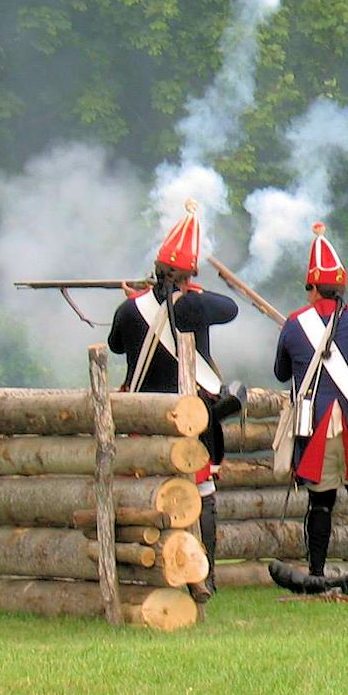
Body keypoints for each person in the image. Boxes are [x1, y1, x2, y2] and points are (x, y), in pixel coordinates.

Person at [108, 199, 236, 601]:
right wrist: (189, 291)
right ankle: (206, 576)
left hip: (144, 420)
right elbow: (230, 308)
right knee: (202, 497)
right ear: (188, 275)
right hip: (190, 416)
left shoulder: (130, 311)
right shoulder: (196, 304)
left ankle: (162, 573)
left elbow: (114, 345)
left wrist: (138, 298)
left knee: (151, 496)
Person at [273, 223, 348, 578]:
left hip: (318, 426)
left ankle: (316, 573)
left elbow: (282, 372)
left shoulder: (295, 323)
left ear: (313, 287)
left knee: (320, 501)